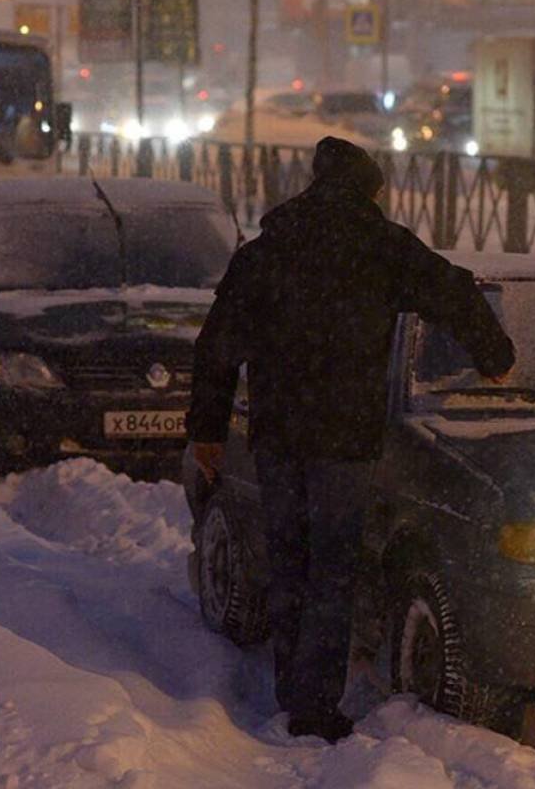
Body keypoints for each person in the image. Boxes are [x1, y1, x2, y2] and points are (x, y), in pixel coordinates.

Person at [187, 136, 515, 742]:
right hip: (344, 436)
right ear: (369, 190)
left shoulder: (267, 252)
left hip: (280, 433)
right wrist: (495, 355)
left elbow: (217, 347)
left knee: (291, 561)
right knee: (333, 568)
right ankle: (315, 707)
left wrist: (207, 433)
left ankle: (293, 692)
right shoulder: (382, 247)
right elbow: (454, 290)